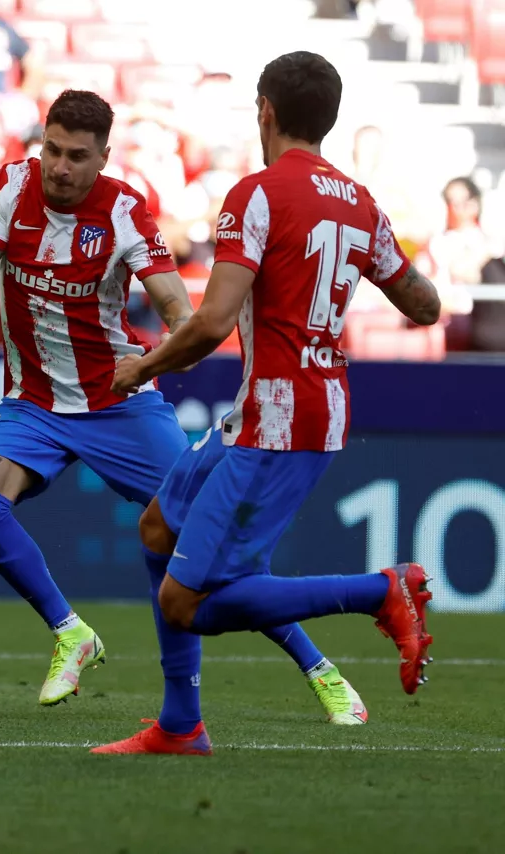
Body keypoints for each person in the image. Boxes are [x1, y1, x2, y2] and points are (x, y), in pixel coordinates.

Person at [0, 90, 364, 725]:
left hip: (121, 405)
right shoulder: (8, 189)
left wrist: (171, 338)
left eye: (77, 157)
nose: (60, 167)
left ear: (103, 157)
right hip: (32, 403)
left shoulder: (123, 210)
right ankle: (70, 631)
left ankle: (319, 668)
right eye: (52, 150)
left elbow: (177, 311)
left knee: (203, 547)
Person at [93, 51, 442, 756]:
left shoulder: (256, 194)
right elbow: (426, 305)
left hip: (280, 426)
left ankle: (380, 591)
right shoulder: (363, 204)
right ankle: (181, 724)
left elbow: (214, 321)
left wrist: (145, 367)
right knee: (158, 528)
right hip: (280, 410)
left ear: (266, 111)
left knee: (185, 604)